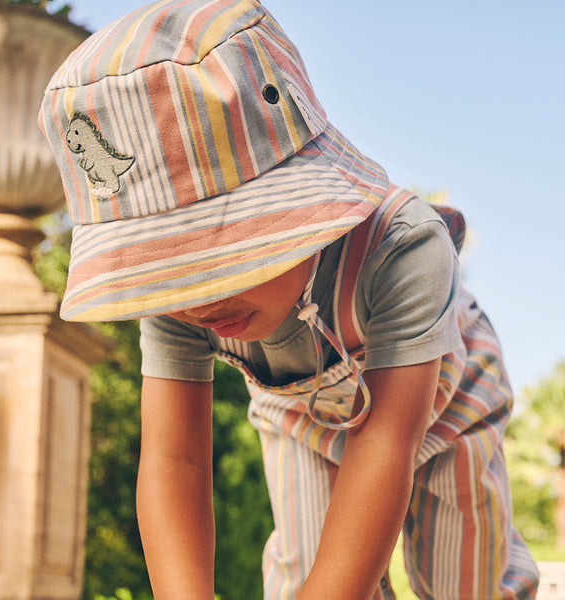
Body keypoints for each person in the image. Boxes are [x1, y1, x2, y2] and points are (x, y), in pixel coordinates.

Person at [39, 0, 540, 598]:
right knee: (304, 576)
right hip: (302, 417)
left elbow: (386, 442)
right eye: (168, 265)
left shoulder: (404, 246)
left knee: (469, 583)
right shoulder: (178, 304)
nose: (200, 299)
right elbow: (177, 462)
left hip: (447, 400)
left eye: (223, 253)